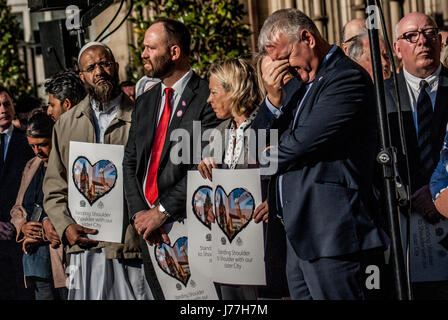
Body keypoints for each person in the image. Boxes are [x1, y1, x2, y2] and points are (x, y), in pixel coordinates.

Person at [256, 9, 386, 300]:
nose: (282, 68)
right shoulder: (296, 85)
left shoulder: (345, 78)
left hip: (333, 235)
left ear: (307, 38)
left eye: (285, 57)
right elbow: (257, 142)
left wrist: (269, 154)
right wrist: (273, 100)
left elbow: (303, 142)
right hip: (298, 235)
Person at [43, 42, 152, 300]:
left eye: (104, 64)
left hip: (129, 246)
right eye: (91, 67)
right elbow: (54, 186)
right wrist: (65, 226)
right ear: (82, 77)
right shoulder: (66, 124)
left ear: (114, 67)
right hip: (84, 249)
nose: (99, 71)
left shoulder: (141, 117)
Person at [122, 18, 221, 299]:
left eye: (150, 48)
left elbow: (201, 167)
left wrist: (161, 212)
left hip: (188, 226)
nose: (143, 54)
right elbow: (131, 162)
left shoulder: (207, 98)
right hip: (149, 233)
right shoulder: (145, 102)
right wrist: (141, 214)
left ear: (174, 52)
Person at [385, 12, 448, 299]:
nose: (422, 40)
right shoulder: (379, 97)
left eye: (429, 33)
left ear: (440, 41)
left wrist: (439, 196)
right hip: (404, 230)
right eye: (411, 35)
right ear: (398, 49)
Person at [197, 58, 268, 300]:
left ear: (234, 91)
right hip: (227, 252)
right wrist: (206, 170)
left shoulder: (265, 127)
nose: (209, 99)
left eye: (214, 92)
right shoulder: (218, 133)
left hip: (262, 248)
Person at [10, 112, 67, 300]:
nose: (37, 151)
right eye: (32, 146)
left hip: (59, 257)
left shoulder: (66, 165)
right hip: (35, 260)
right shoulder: (31, 165)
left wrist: (44, 229)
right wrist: (23, 226)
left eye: (42, 144)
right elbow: (17, 207)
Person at [0, 86, 34, 300]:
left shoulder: (28, 142)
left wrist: (18, 223)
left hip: (21, 236)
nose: (3, 109)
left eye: (7, 103)